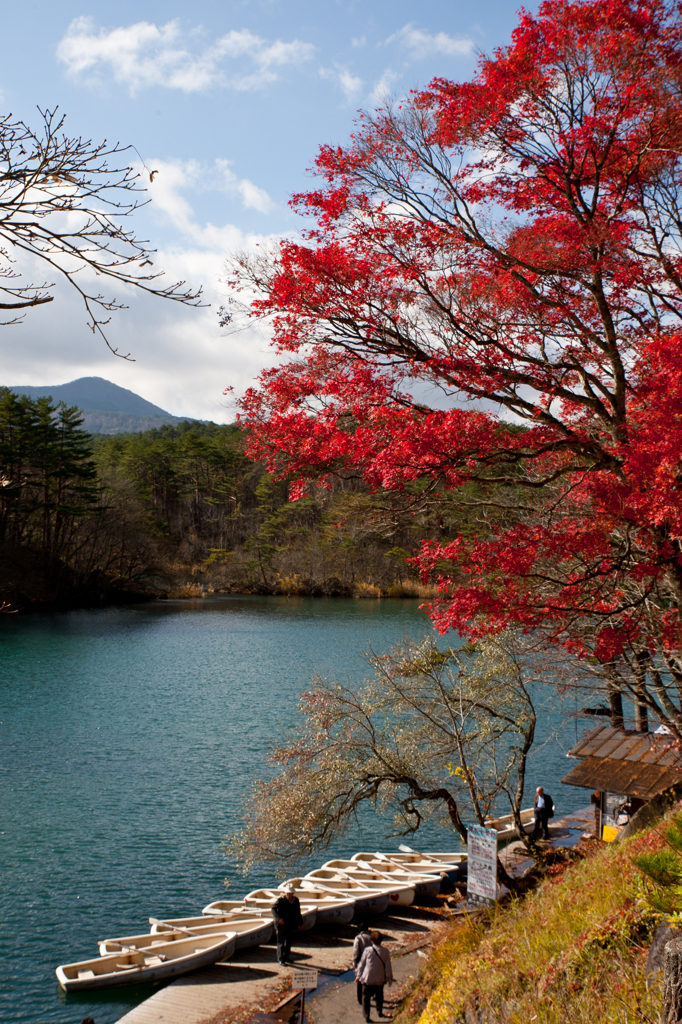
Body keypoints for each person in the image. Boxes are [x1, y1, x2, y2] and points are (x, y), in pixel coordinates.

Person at [357, 930, 393, 1022]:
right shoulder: (385, 951)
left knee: (366, 997)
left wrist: (358, 975)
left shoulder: (367, 950)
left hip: (368, 978)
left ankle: (367, 1016)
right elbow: (388, 966)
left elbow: (362, 964)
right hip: (380, 978)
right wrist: (389, 977)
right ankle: (379, 1011)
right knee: (379, 995)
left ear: (371, 941)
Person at [271, 884, 303, 965]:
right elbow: (273, 909)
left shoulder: (296, 901)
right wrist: (279, 919)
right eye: (288, 893)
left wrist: (300, 923)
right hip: (282, 924)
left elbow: (298, 913)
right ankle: (280, 958)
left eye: (290, 893)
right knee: (281, 942)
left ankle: (286, 956)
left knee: (289, 942)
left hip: (291, 924)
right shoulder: (281, 900)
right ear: (285, 893)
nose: (289, 894)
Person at [353, 921, 373, 1007]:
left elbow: (356, 952)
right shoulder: (371, 937)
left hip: (361, 962)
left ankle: (360, 999)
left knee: (360, 980)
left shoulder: (358, 938)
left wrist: (354, 962)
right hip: (371, 961)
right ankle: (370, 995)